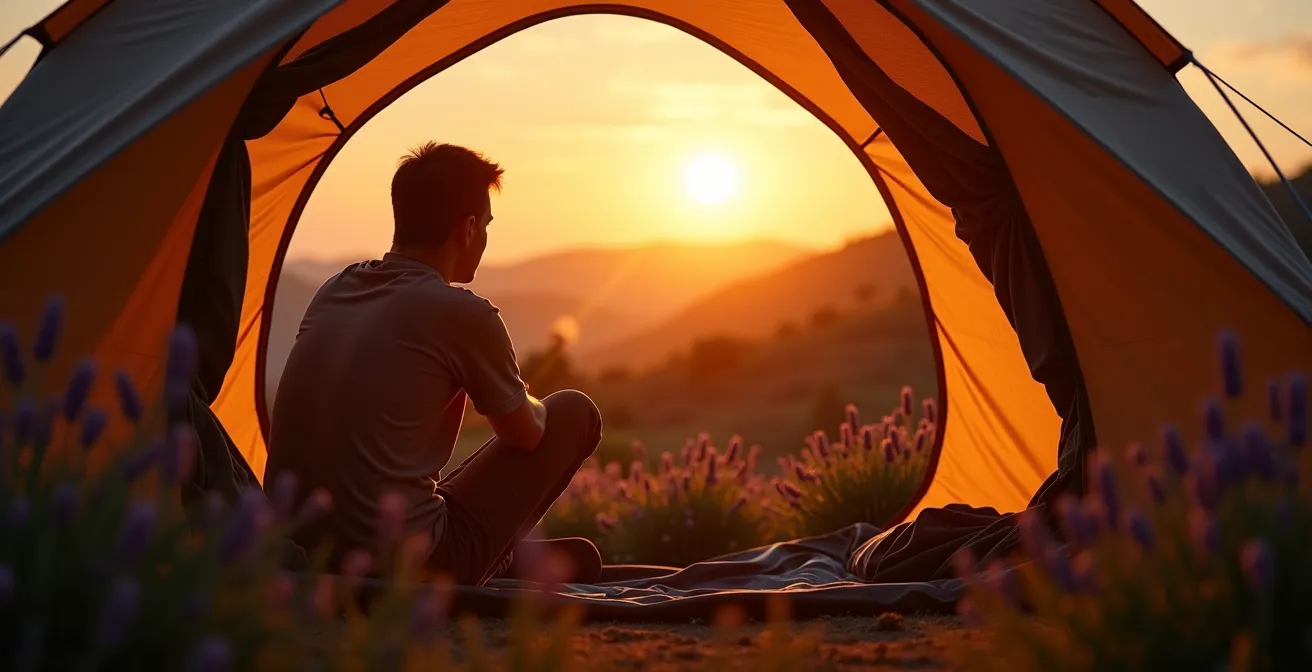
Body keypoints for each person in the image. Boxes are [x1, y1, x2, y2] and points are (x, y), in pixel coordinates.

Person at [265, 142, 603, 586]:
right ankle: (483, 564)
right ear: (467, 228)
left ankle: (508, 561)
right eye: (486, 225)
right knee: (573, 412)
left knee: (575, 556)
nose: (484, 238)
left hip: (295, 548)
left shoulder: (335, 288)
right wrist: (529, 401)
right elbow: (527, 432)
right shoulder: (463, 314)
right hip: (403, 566)